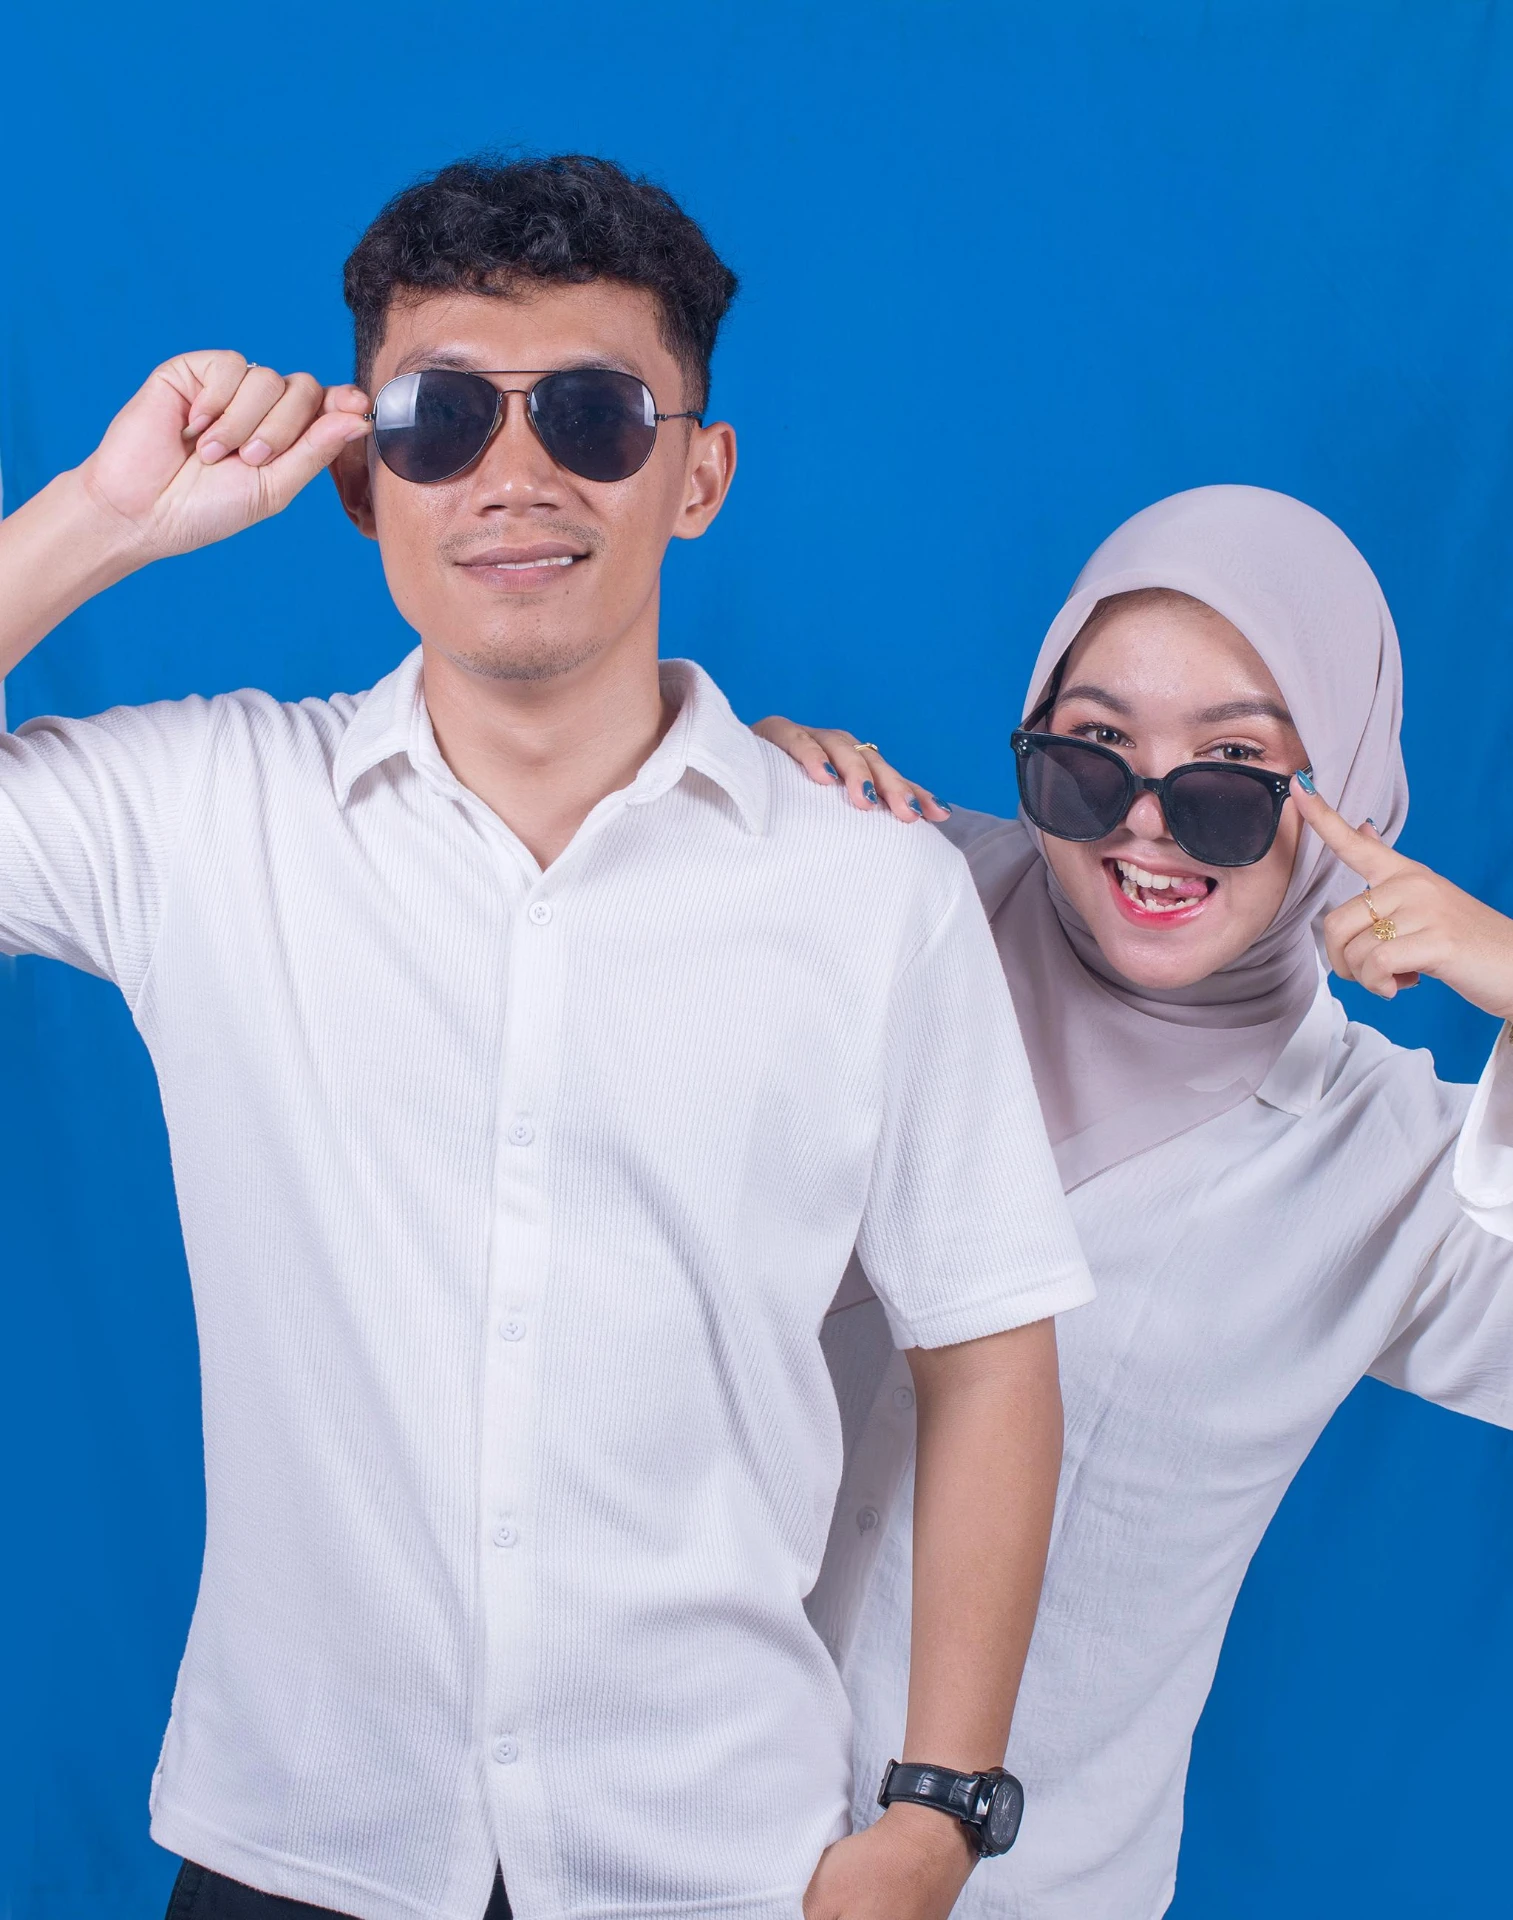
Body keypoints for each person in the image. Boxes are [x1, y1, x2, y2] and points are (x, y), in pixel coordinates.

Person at [0, 156, 1096, 1920]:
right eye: (440, 419)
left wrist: (940, 1811)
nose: (514, 477)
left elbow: (990, 1353)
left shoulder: (874, 895)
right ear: (364, 477)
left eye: (590, 413)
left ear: (698, 473)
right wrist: (102, 516)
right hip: (296, 1846)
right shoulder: (203, 817)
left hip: (719, 1859)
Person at [758, 484, 1513, 1919]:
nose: (1149, 826)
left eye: (1235, 767)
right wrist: (704, 795)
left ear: (1349, 786)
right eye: (1094, 752)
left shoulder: (1395, 1167)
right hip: (644, 1835)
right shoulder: (876, 904)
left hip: (1017, 1894)